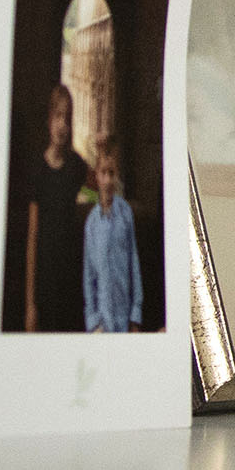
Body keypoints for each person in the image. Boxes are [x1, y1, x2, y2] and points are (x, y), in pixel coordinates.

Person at [20, 82, 91, 333]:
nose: (63, 124)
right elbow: (32, 236)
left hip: (71, 276)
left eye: (68, 118)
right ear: (49, 119)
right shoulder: (38, 171)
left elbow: (101, 184)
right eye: (58, 116)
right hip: (45, 279)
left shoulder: (76, 166)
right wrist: (30, 304)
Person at [81, 135, 144, 334]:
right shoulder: (92, 223)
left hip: (124, 315)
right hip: (102, 319)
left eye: (111, 173)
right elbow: (89, 274)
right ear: (97, 177)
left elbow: (134, 264)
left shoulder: (125, 214)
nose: (108, 180)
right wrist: (93, 321)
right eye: (103, 173)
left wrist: (135, 315)